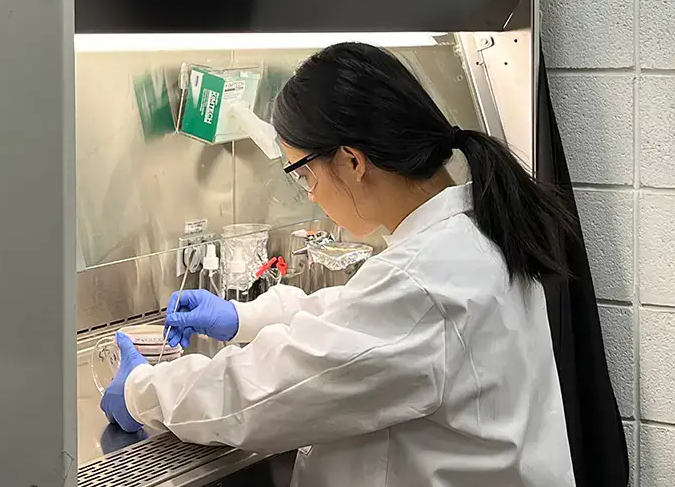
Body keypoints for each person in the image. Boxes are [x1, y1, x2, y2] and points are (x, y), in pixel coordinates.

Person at [100, 42, 577, 487]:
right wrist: (244, 318)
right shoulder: (470, 233)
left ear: (352, 161)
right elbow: (357, 315)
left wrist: (144, 390)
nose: (309, 193)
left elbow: (264, 393)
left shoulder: (425, 280)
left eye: (304, 174)